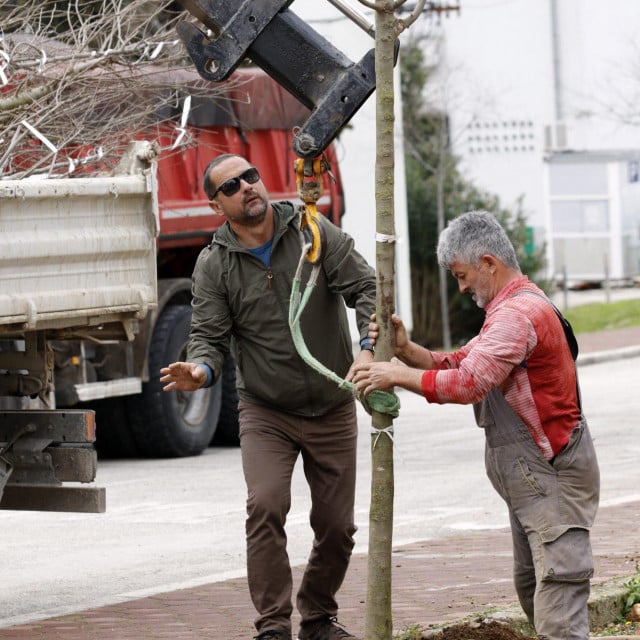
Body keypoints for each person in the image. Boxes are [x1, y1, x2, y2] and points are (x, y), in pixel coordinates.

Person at [349, 210, 600, 640]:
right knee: (532, 588)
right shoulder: (505, 313)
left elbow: (467, 383)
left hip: (553, 481)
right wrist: (407, 351)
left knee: (559, 598)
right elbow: (460, 362)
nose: (461, 287)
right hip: (531, 487)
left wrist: (394, 374)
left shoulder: (516, 317)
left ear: (488, 263)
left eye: (463, 275)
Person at [160, 153, 376, 640]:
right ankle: (273, 628)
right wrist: (201, 370)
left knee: (337, 527)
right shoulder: (214, 264)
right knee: (266, 506)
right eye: (231, 186)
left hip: (333, 403)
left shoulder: (311, 232)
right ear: (217, 204)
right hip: (266, 411)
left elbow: (366, 288)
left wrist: (368, 349)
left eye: (251, 176)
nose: (247, 187)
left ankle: (318, 618)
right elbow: (208, 337)